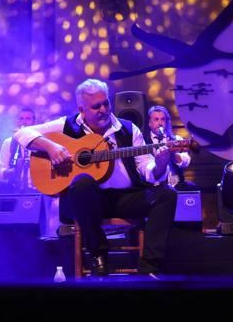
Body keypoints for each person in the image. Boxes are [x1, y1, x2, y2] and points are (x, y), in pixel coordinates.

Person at [14, 79, 177, 278]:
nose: (103, 109)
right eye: (96, 106)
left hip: (124, 199)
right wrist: (52, 147)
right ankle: (98, 255)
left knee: (167, 194)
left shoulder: (127, 129)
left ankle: (149, 269)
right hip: (84, 202)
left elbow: (147, 170)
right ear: (81, 109)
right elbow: (22, 133)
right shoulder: (67, 125)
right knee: (83, 182)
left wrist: (160, 164)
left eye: (106, 103)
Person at [143, 105, 193, 190]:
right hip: (154, 187)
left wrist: (174, 155)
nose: (160, 123)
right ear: (149, 123)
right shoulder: (143, 142)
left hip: (177, 184)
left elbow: (186, 161)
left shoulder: (176, 139)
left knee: (192, 188)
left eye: (163, 119)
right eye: (156, 119)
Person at [0, 107, 37, 194]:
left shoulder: (42, 143)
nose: (24, 122)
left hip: (38, 191)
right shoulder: (9, 143)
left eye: (28, 118)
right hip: (15, 190)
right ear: (18, 122)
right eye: (21, 118)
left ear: (34, 122)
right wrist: (14, 171)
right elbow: (1, 170)